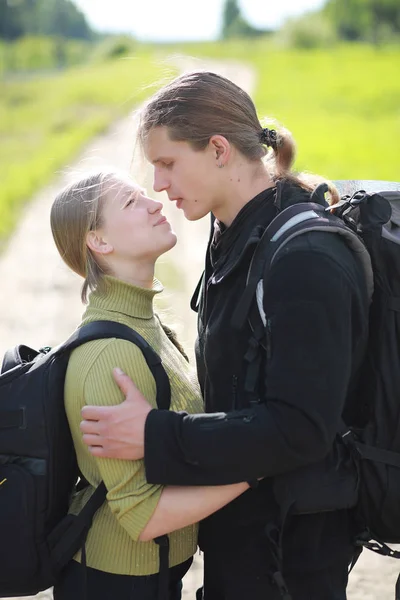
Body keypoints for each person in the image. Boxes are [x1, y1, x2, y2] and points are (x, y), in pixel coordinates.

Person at [80, 72, 370, 599]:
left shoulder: (303, 257)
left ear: (217, 149)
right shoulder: (233, 232)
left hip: (292, 556)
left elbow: (302, 427)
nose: (160, 185)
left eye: (167, 163)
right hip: (246, 539)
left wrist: (156, 435)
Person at [49, 169, 249, 600]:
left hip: (151, 577)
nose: (156, 203)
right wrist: (261, 467)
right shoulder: (110, 355)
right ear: (99, 242)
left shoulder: (147, 322)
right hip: (115, 583)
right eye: (130, 203)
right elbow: (140, 515)